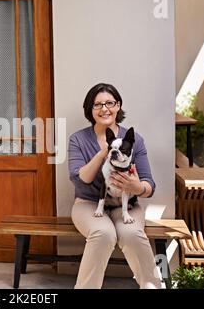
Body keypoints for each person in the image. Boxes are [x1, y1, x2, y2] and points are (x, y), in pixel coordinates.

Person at [68, 82, 161, 289]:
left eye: (110, 103)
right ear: (89, 110)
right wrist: (105, 152)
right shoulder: (78, 139)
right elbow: (79, 179)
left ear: (118, 106)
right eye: (97, 105)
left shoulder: (133, 139)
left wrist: (137, 187)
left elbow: (149, 185)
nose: (104, 109)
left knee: (132, 235)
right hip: (89, 203)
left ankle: (152, 287)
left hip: (125, 204)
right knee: (103, 234)